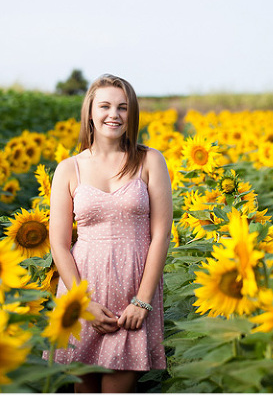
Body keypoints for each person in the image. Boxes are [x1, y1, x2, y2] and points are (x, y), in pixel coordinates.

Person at [48, 74, 172, 393]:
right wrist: (83, 303)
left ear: (132, 115)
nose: (113, 114)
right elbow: (59, 244)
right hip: (83, 290)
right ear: (90, 112)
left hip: (134, 294)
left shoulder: (150, 161)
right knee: (83, 390)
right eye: (104, 106)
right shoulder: (68, 168)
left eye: (123, 107)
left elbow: (161, 235)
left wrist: (142, 301)